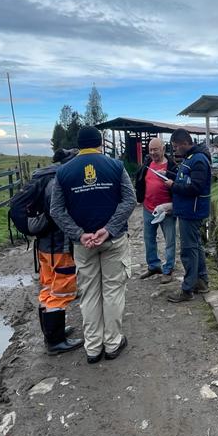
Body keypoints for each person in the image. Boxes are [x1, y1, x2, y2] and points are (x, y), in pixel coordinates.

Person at [49, 126, 136, 363]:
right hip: (113, 240)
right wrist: (108, 229)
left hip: (83, 244)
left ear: (78, 145)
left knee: (88, 294)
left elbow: (56, 210)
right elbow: (130, 199)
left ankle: (93, 348)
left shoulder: (64, 172)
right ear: (100, 143)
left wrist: (79, 234)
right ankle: (112, 343)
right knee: (113, 291)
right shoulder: (116, 167)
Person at [30, 148, 84, 355]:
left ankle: (51, 332)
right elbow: (59, 214)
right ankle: (55, 341)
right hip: (58, 246)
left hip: (43, 245)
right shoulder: (58, 181)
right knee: (61, 290)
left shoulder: (44, 177)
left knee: (47, 286)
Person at [165, 129, 212, 303]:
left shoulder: (198, 160)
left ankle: (188, 289)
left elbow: (195, 188)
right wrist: (171, 177)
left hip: (192, 211)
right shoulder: (191, 159)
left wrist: (172, 186)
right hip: (188, 210)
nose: (175, 150)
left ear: (185, 143)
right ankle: (201, 281)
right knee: (196, 246)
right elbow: (187, 180)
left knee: (189, 249)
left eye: (176, 147)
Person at [134, 137, 177, 284]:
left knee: (170, 240)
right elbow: (140, 180)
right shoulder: (147, 164)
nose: (153, 152)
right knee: (149, 239)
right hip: (148, 208)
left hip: (166, 210)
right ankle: (153, 265)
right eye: (150, 150)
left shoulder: (172, 166)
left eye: (156, 149)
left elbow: (178, 184)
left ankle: (168, 269)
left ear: (163, 149)